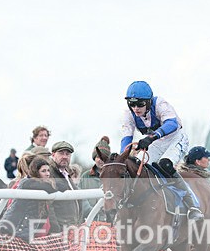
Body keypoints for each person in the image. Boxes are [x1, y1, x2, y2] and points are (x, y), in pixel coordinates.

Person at [120, 80, 202, 221]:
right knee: (137, 165)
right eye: (132, 104)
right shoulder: (128, 114)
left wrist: (152, 137)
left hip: (176, 138)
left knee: (165, 164)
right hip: (157, 142)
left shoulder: (160, 104)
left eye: (140, 104)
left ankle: (192, 205)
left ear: (149, 102)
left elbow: (172, 123)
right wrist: (122, 157)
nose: (136, 108)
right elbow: (126, 138)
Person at [0, 157, 57, 241]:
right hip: (11, 232)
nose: (47, 174)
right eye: (43, 171)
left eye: (48, 170)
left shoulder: (39, 187)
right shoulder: (27, 183)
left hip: (22, 234)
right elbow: (50, 188)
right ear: (36, 172)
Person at [47, 141, 81, 233]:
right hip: (59, 230)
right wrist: (55, 229)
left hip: (71, 227)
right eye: (61, 153)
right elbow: (48, 204)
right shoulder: (49, 174)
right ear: (53, 155)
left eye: (68, 154)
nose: (65, 157)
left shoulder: (66, 174)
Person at [78, 138, 113, 221]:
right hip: (89, 219)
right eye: (97, 157)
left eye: (103, 157)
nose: (100, 160)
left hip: (110, 220)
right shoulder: (85, 176)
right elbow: (80, 198)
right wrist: (91, 212)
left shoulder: (114, 177)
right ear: (94, 158)